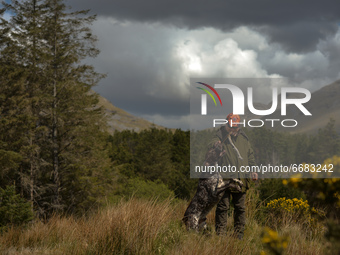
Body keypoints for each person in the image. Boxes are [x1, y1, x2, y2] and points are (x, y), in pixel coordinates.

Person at [210, 113, 258, 239]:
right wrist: (216, 146)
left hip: (241, 178)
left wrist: (253, 170)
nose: (233, 129)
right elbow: (212, 145)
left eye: (235, 126)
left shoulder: (244, 138)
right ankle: (220, 236)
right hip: (224, 178)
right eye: (231, 126)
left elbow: (250, 156)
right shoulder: (220, 136)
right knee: (222, 207)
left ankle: (239, 236)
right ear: (226, 124)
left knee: (240, 208)